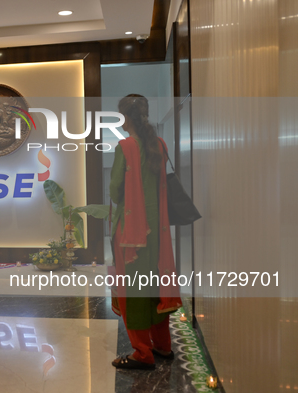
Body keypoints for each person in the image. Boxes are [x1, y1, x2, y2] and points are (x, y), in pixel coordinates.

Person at [109, 94, 182, 370]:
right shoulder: (159, 144)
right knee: (155, 286)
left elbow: (116, 191)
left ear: (126, 117)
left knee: (135, 290)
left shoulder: (125, 147)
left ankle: (142, 352)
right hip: (158, 234)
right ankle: (162, 346)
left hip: (132, 234)